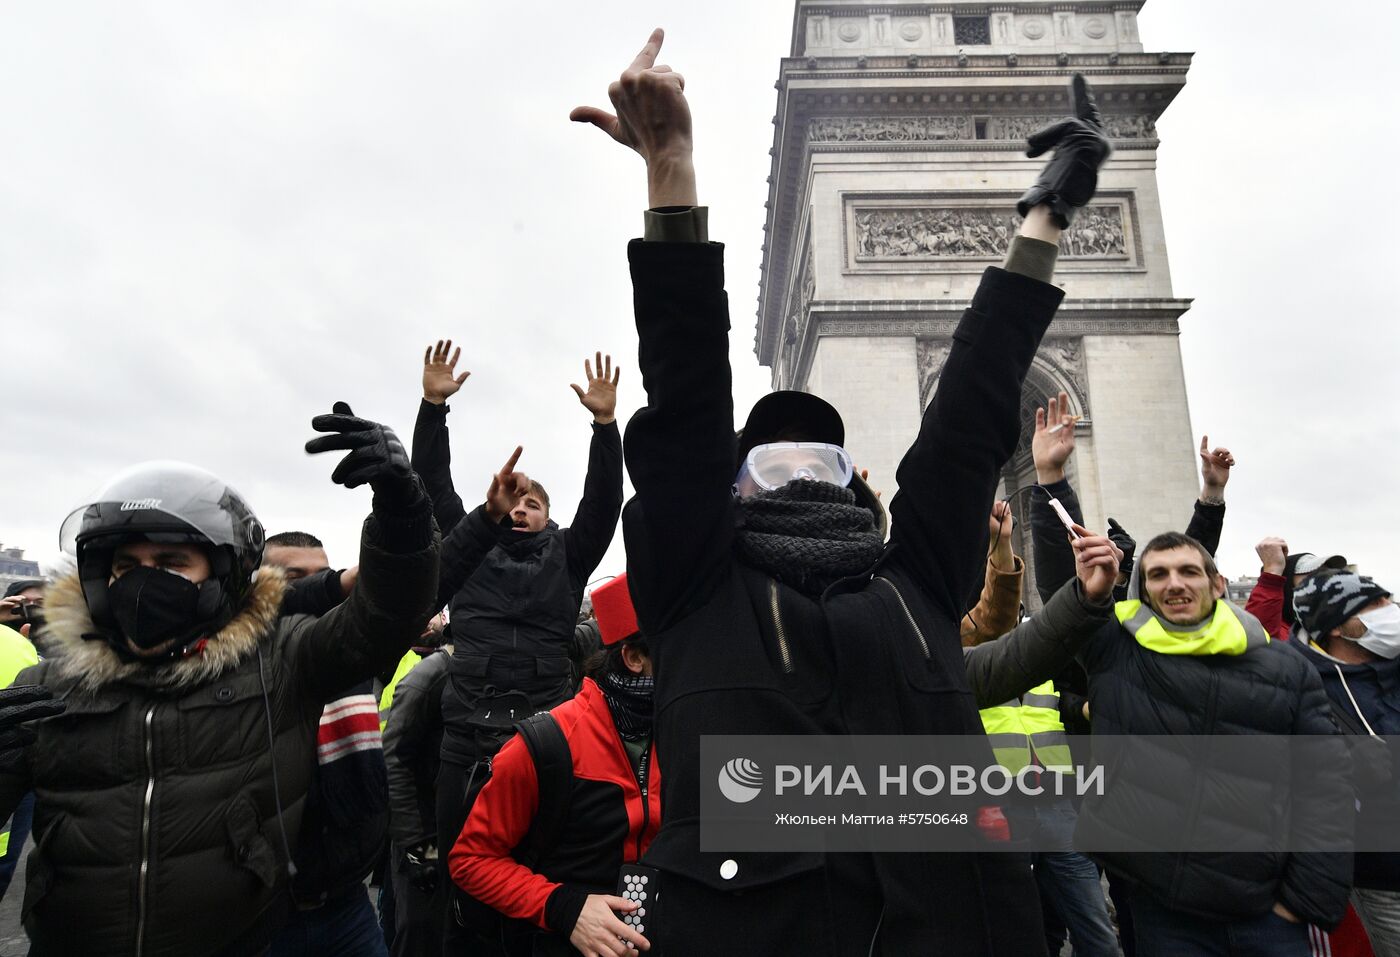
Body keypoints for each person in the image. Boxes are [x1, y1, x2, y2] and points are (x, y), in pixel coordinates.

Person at [572, 29, 1113, 953]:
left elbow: (972, 415)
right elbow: (687, 397)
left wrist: (1046, 222)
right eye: (771, 462)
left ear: (856, 481)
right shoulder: (695, 585)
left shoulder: (913, 582)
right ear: (729, 491)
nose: (799, 475)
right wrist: (671, 174)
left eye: (819, 460)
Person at [0, 401, 440, 956]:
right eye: (124, 566)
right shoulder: (48, 688)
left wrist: (403, 511)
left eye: (171, 562)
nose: (143, 582)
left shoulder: (280, 662)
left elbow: (389, 610)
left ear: (222, 576)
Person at [411, 339, 625, 951]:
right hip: (467, 738)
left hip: (545, 741)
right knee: (467, 880)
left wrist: (604, 426)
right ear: (496, 506)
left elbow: (604, 503)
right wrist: (433, 407)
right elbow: (431, 482)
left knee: (543, 875)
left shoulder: (570, 553)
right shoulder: (467, 542)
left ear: (548, 518)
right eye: (515, 499)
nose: (523, 507)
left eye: (535, 502)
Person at [1074, 532, 1354, 956]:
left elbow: (1326, 789)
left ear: (1219, 584)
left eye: (1189, 571)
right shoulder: (1120, 655)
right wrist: (1053, 486)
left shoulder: (1286, 668)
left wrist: (1302, 904)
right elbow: (1076, 603)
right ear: (1144, 591)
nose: (1174, 584)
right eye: (1158, 575)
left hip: (1269, 914)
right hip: (1166, 913)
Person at [449, 573, 660, 957]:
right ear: (634, 658)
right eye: (681, 648)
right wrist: (564, 908)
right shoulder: (546, 744)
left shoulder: (689, 731)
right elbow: (470, 860)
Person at [262, 530, 391, 957]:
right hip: (261, 918)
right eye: (293, 579)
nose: (315, 591)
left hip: (347, 906)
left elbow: (420, 587)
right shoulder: (234, 671)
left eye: (323, 577)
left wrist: (486, 521)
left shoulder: (353, 655)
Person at [1292, 570, 1400, 956]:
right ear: (1336, 626)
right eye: (1375, 605)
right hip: (1379, 878)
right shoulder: (1301, 685)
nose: (1390, 611)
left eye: (1388, 600)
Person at [382, 630, 454, 957]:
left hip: (462, 832)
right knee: (420, 928)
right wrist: (415, 846)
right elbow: (395, 761)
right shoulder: (430, 677)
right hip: (424, 833)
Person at [1248, 539, 1348, 641]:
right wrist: (1272, 572)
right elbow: (1259, 632)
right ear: (1287, 584)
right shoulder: (1279, 632)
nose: (1323, 584)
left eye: (1326, 575)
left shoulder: (1330, 625)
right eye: (1314, 576)